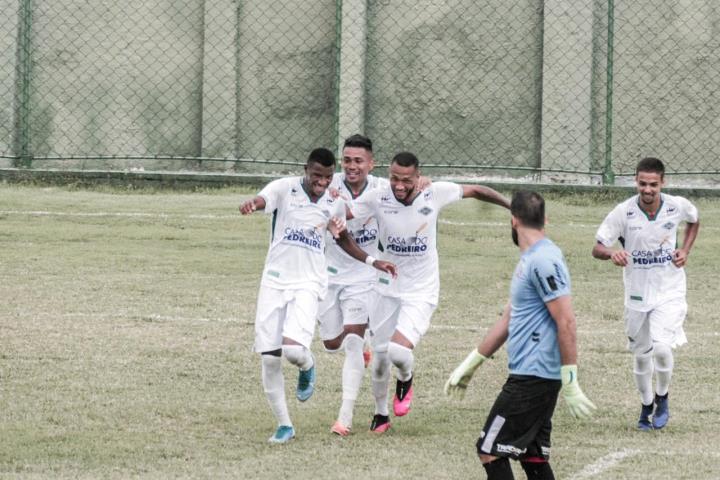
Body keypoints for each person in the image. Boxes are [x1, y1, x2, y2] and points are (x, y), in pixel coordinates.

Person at [330, 151, 510, 434]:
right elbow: (347, 212)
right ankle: (381, 413)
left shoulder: (434, 193)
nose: (399, 186)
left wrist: (511, 206)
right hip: (386, 287)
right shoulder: (378, 196)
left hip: (420, 290)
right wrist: (335, 210)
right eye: (394, 179)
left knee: (398, 352)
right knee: (378, 360)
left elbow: (476, 190)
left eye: (406, 181)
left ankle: (406, 378)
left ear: (418, 177)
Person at [240, 147, 396, 444]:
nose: (322, 183)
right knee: (270, 359)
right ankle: (285, 425)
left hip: (309, 283)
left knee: (294, 352)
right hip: (273, 282)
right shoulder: (284, 189)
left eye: (326, 177)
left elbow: (344, 239)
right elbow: (264, 200)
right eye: (316, 176)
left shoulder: (334, 202)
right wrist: (253, 204)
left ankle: (307, 364)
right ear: (306, 170)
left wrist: (373, 262)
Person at [445, 190, 595, 480]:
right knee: (533, 455)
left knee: (490, 449)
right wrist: (471, 364)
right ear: (545, 220)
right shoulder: (532, 258)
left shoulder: (543, 261)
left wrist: (572, 381)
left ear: (513, 220)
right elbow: (508, 318)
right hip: (533, 375)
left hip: (533, 377)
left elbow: (566, 321)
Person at [591, 157, 699, 431]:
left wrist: (685, 250)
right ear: (635, 182)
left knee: (662, 347)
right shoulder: (623, 212)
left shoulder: (676, 206)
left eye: (653, 184)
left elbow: (694, 220)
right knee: (641, 355)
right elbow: (598, 247)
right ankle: (645, 404)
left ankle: (662, 397)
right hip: (637, 295)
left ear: (663, 183)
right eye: (642, 184)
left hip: (670, 289)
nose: (647, 190)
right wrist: (611, 253)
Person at [319, 134, 386, 436]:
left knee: (353, 343)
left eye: (358, 161)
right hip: (330, 275)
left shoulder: (384, 189)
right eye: (347, 160)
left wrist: (422, 184)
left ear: (371, 163)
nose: (352, 166)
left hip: (364, 276)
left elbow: (415, 188)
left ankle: (343, 418)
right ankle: (363, 340)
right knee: (331, 343)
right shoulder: (328, 185)